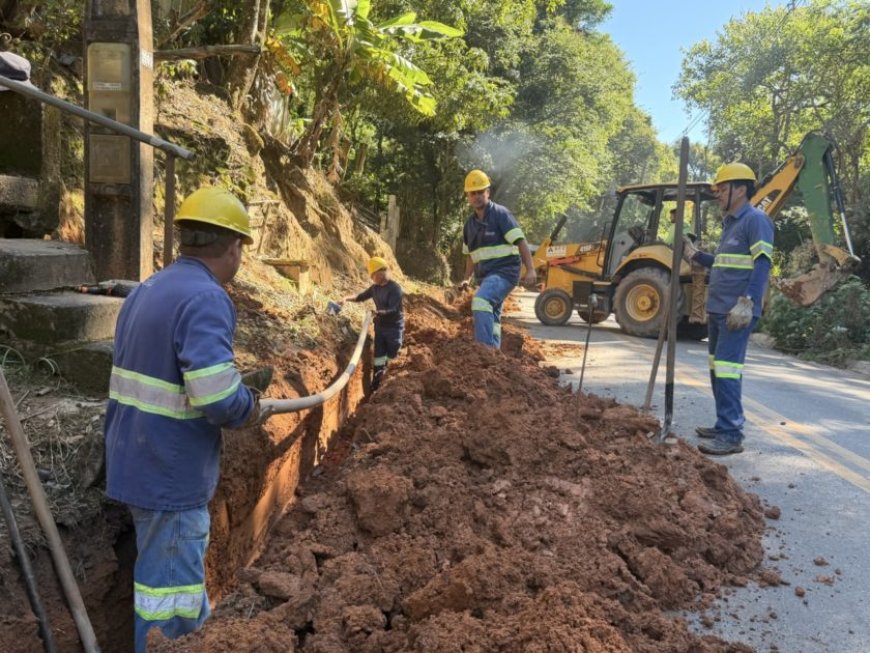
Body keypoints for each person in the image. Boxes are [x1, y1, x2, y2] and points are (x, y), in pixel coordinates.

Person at [104, 186, 261, 652]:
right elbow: (215, 396)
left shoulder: (148, 288)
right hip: (170, 477)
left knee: (173, 587)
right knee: (167, 606)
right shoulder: (207, 299)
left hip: (134, 461)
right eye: (241, 251)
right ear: (233, 248)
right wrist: (248, 406)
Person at [683, 163, 774, 456]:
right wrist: (696, 255)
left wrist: (748, 300)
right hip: (720, 309)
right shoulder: (731, 224)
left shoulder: (755, 220)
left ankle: (732, 433)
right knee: (717, 370)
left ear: (741, 189)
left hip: (737, 310)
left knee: (727, 371)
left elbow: (762, 263)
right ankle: (724, 424)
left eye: (723, 189)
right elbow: (724, 263)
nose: (719, 194)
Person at [460, 169, 536, 348]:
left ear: (488, 192)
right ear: (468, 197)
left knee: (481, 301)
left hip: (505, 273)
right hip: (486, 278)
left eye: (481, 192)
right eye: (473, 193)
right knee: (492, 316)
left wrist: (531, 269)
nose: (477, 196)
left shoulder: (501, 214)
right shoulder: (469, 226)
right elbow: (470, 256)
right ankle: (494, 355)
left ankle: (484, 351)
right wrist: (466, 278)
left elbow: (521, 242)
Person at [341, 256, 404, 390]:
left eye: (373, 275)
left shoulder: (395, 289)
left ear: (381, 272)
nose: (372, 278)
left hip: (394, 328)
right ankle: (376, 382)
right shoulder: (375, 288)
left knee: (392, 357)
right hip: (380, 328)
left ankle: (390, 384)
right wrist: (346, 298)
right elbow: (361, 297)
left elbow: (393, 310)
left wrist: (378, 313)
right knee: (379, 357)